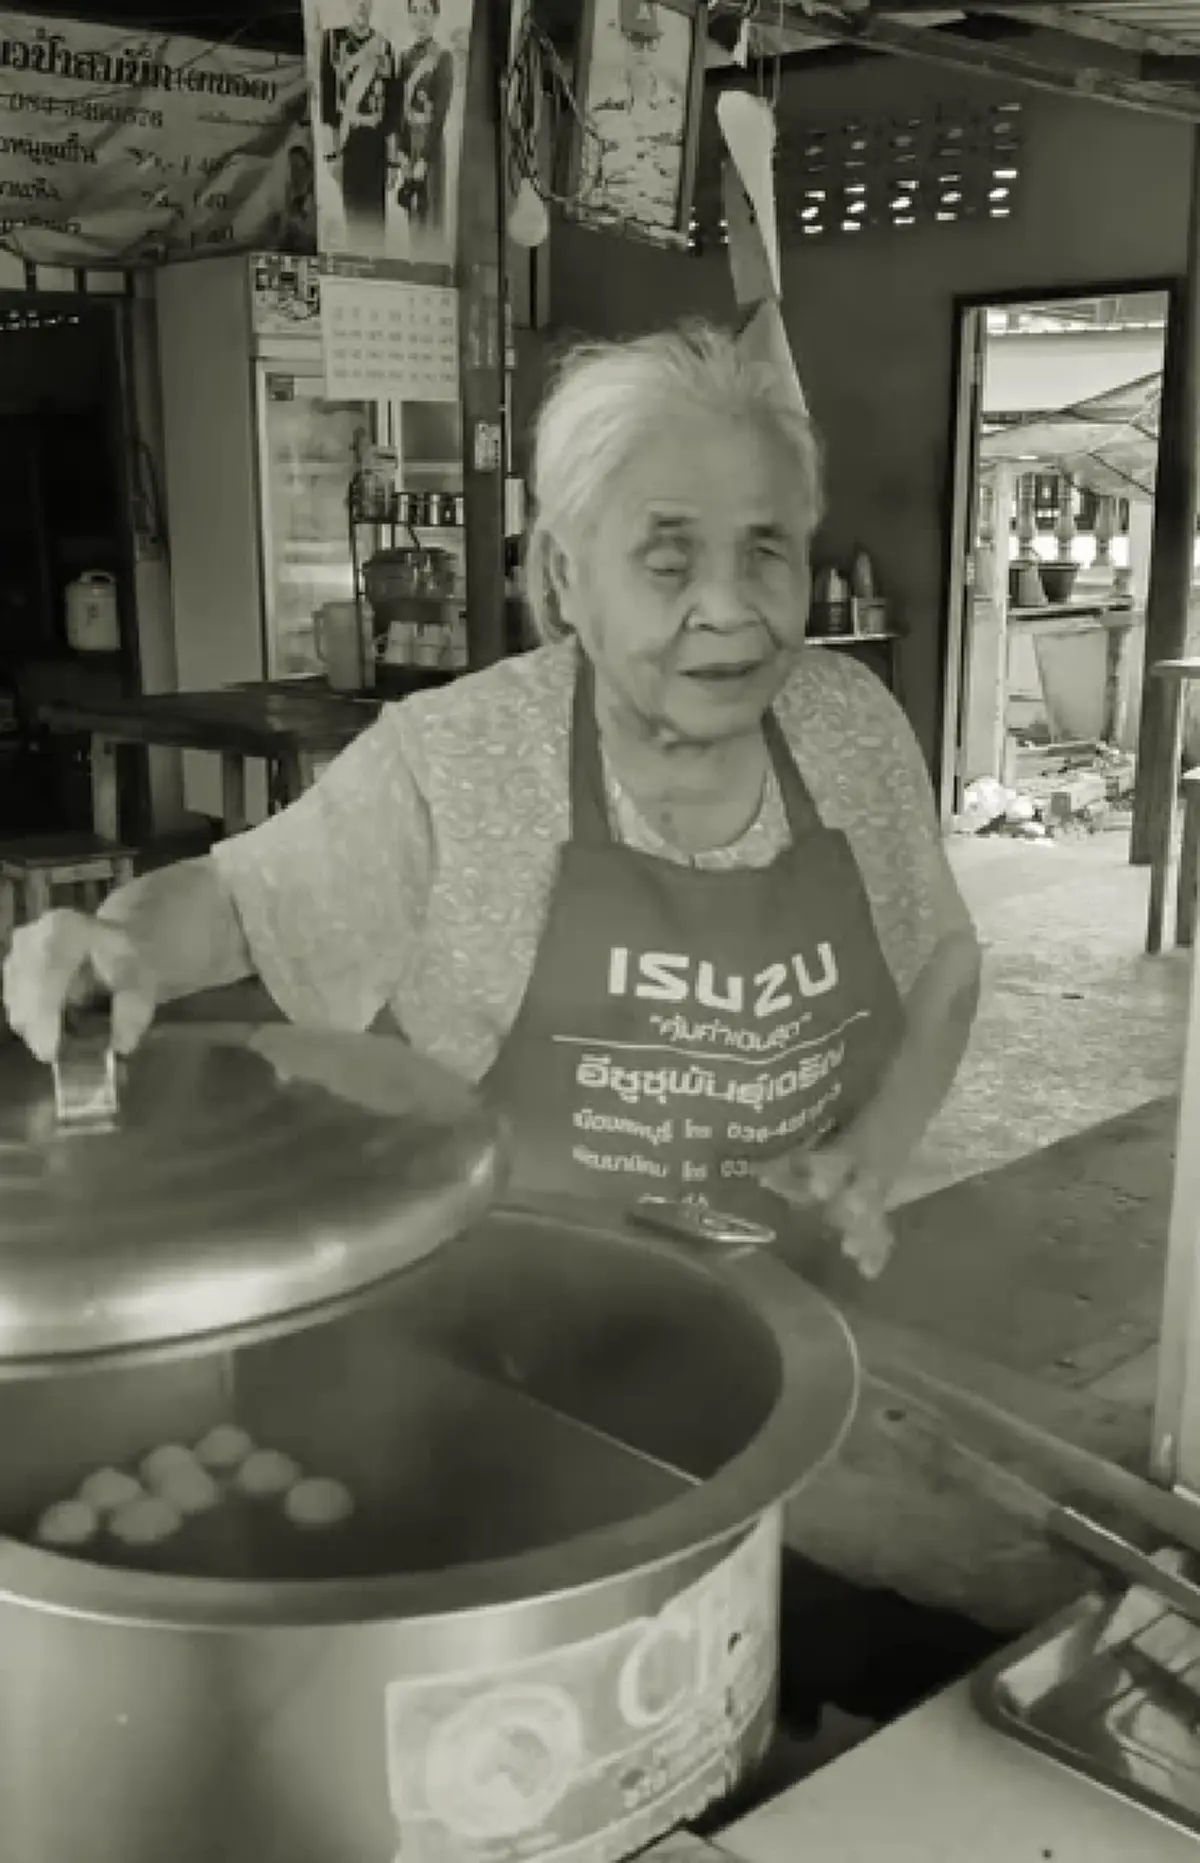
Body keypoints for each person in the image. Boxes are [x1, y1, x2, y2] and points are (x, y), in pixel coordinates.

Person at [3, 320, 980, 1274]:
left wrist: (875, 1150)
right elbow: (229, 912)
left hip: (786, 1299)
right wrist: (114, 947)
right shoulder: (460, 759)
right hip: (497, 1319)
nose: (727, 606)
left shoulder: (849, 729)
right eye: (668, 559)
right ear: (564, 573)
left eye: (767, 551)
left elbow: (944, 963)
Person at [318, 0, 396, 247]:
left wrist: (393, 161)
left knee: (376, 221)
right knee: (352, 219)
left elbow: (392, 109)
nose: (361, 7)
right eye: (355, 1)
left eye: (366, 2)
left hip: (375, 144)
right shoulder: (332, 40)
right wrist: (331, 153)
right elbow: (328, 103)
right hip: (347, 140)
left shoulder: (384, 46)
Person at [391, 0, 454, 240]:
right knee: (413, 213)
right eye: (414, 11)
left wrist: (424, 159)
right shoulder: (404, 58)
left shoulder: (443, 58)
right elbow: (399, 110)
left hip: (431, 144)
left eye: (426, 11)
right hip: (409, 143)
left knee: (431, 216)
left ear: (436, 16)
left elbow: (440, 115)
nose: (420, 18)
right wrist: (402, 151)